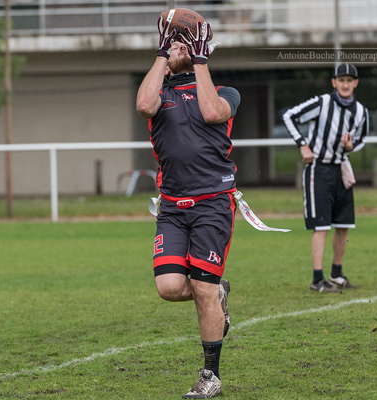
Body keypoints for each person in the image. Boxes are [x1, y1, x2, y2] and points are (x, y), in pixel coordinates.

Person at [136, 17, 240, 399]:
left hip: (213, 202)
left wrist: (198, 59)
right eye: (174, 43)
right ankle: (216, 292)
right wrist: (163, 53)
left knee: (201, 285)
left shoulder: (225, 91)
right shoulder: (158, 90)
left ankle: (210, 375)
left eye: (184, 43)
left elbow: (213, 113)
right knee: (169, 287)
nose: (179, 47)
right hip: (172, 206)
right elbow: (144, 105)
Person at [283, 63, 369, 292]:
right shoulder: (322, 103)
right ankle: (317, 279)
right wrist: (303, 145)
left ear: (355, 83)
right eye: (341, 80)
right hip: (318, 169)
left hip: (341, 168)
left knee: (343, 225)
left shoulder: (360, 111)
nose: (345, 84)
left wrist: (350, 147)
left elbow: (361, 139)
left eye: (349, 80)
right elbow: (289, 116)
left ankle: (337, 274)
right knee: (321, 226)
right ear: (334, 82)